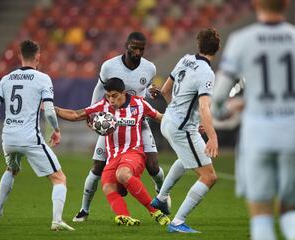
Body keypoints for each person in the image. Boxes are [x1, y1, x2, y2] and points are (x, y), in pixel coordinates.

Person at [212, 0, 295, 239]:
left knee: (261, 214)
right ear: (286, 4)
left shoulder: (242, 40)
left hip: (258, 134)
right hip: (291, 132)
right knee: (290, 211)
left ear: (256, 3)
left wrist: (222, 112)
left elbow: (219, 95)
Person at [0, 40, 74, 231]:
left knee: (11, 170)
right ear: (38, 57)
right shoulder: (43, 78)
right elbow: (48, 111)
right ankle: (56, 220)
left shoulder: (7, 79)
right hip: (30, 138)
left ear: (20, 56)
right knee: (59, 178)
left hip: (9, 137)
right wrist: (56, 130)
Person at [73, 31, 166, 222]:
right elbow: (99, 90)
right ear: (126, 45)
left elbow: (143, 90)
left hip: (137, 122)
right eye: (135, 48)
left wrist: (151, 92)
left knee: (154, 166)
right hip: (112, 123)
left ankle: (161, 194)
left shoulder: (149, 68)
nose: (138, 52)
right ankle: (84, 210)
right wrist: (92, 114)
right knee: (97, 167)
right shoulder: (109, 66)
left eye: (142, 49)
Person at [56, 78, 170, 226]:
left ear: (124, 93)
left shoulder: (139, 104)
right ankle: (124, 216)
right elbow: (76, 115)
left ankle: (156, 213)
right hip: (113, 157)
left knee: (122, 174)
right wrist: (53, 109)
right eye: (108, 96)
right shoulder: (103, 105)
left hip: (133, 153)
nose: (111, 100)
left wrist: (186, 125)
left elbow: (160, 117)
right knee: (107, 185)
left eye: (115, 96)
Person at [151, 27, 221, 233]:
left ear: (198, 45)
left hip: (167, 120)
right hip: (181, 128)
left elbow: (164, 91)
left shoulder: (185, 59)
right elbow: (204, 107)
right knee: (209, 176)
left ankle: (161, 199)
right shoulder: (207, 73)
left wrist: (182, 117)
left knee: (185, 158)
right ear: (217, 48)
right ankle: (178, 222)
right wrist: (212, 136)